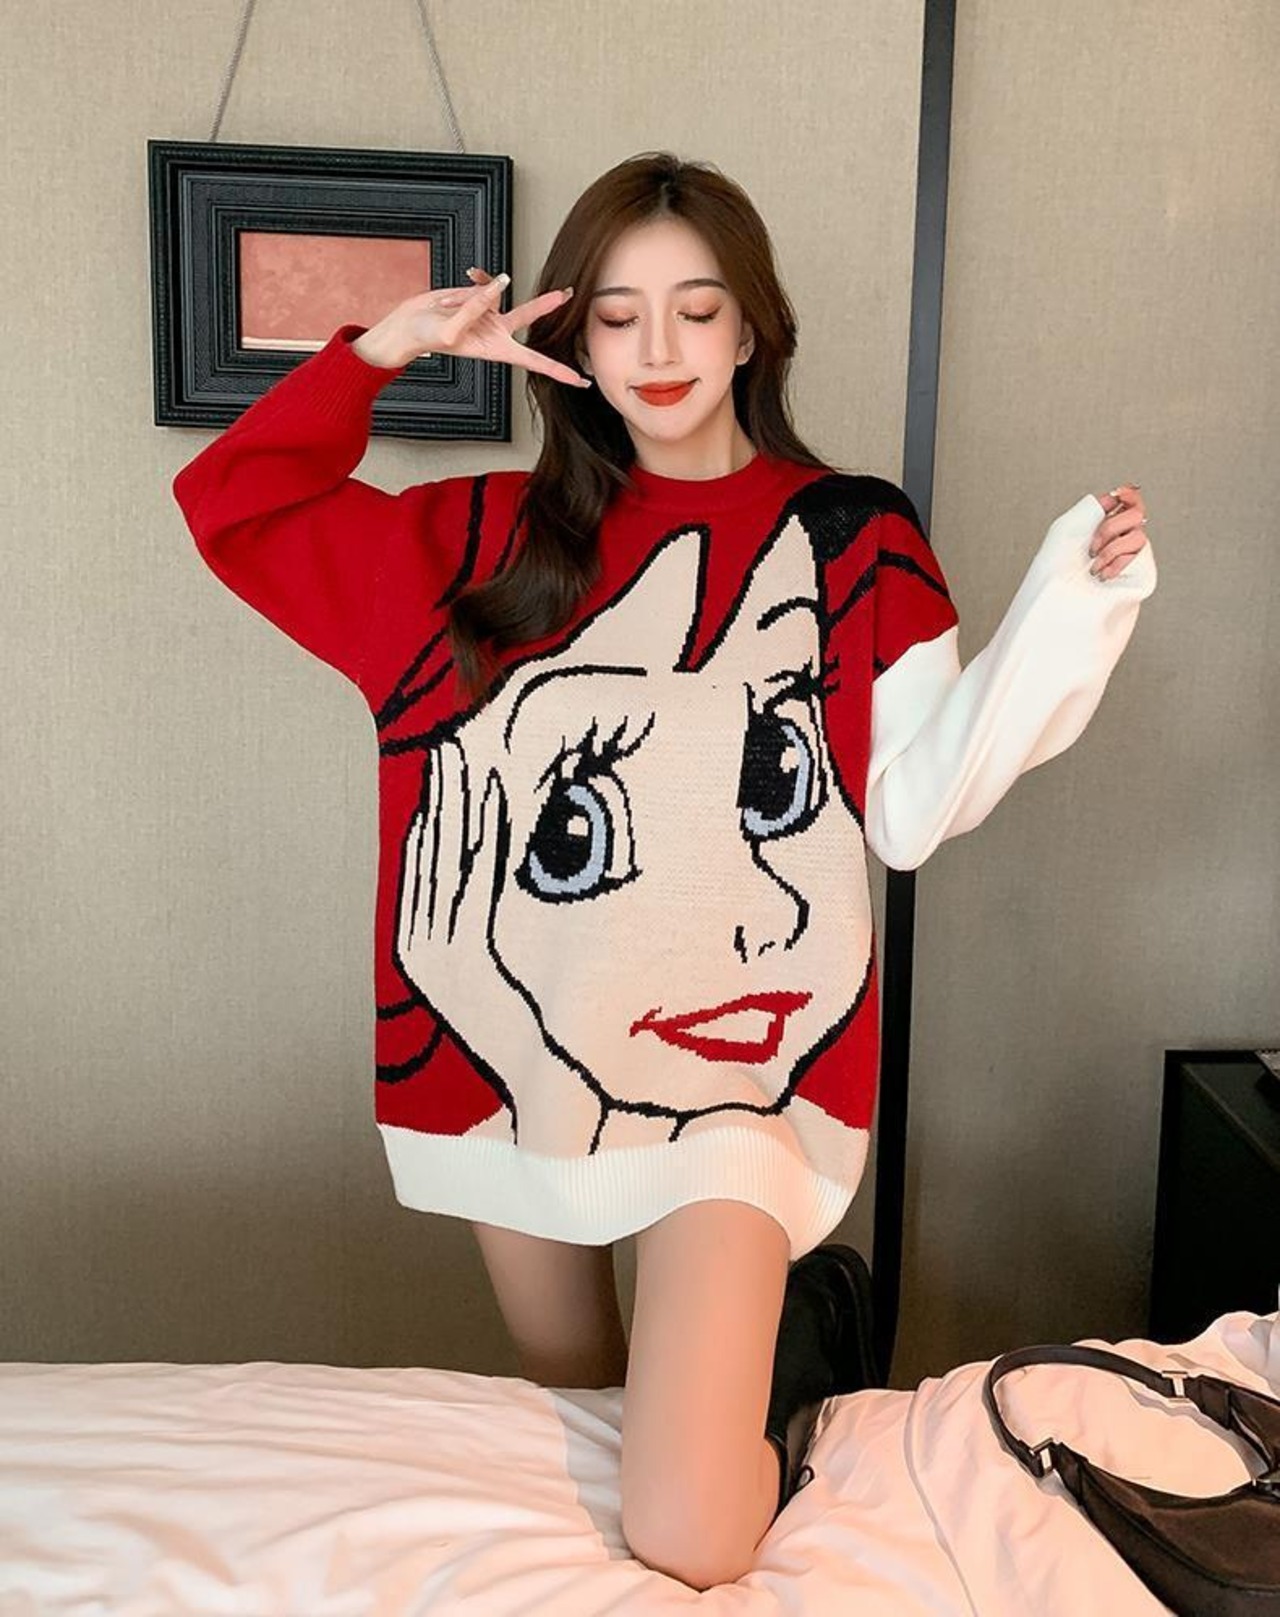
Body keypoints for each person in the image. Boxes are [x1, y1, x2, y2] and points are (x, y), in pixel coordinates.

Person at [171, 150, 1156, 1591]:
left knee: (686, 1521)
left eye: (697, 310)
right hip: (523, 1064)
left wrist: (1072, 609)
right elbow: (234, 505)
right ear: (573, 340)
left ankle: (786, 1387)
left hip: (746, 1076)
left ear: (753, 328)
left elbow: (911, 805)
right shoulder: (477, 541)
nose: (659, 350)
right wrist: (381, 348)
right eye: (618, 316)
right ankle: (755, 1379)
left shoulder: (852, 535)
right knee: (586, 1416)